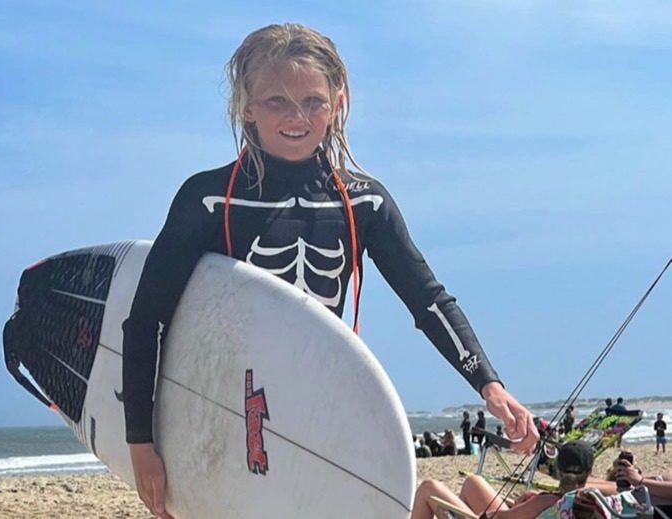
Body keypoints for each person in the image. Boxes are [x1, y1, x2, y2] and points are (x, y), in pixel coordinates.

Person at [121, 23, 539, 517]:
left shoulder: (364, 202)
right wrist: (142, 444)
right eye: (276, 100)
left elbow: (428, 300)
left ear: (337, 102)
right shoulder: (211, 200)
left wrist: (488, 384)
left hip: (323, 413)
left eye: (312, 101)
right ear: (246, 106)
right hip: (227, 414)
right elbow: (148, 319)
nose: (296, 117)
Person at [411, 440, 599, 519]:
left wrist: (518, 507)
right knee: (473, 482)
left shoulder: (548, 502)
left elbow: (502, 518)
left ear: (557, 468)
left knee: (429, 488)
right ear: (589, 471)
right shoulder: (591, 503)